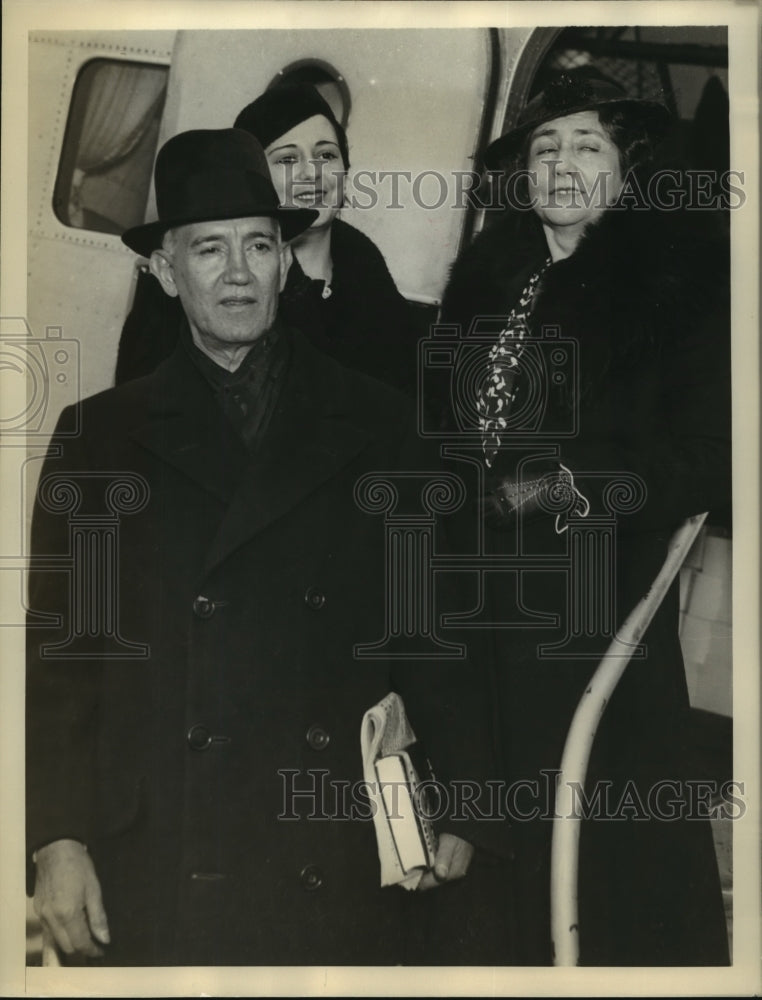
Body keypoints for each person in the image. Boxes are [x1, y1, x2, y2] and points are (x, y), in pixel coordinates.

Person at [26, 128, 508, 966]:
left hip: (331, 837)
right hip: (160, 836)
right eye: (208, 249)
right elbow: (65, 653)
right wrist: (57, 839)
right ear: (165, 272)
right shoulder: (100, 435)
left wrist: (464, 799)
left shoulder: (380, 422)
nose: (238, 271)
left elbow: (437, 624)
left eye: (259, 244)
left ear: (287, 263)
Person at [440, 68, 731, 965]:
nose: (562, 163)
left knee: (608, 870)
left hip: (596, 608)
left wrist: (562, 488)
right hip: (474, 604)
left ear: (627, 164)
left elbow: (698, 459)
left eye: (587, 143)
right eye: (543, 146)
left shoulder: (678, 281)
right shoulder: (494, 270)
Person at [115, 84, 417, 391]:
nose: (312, 173)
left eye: (326, 154)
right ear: (254, 176)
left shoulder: (367, 268)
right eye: (287, 160)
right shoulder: (191, 278)